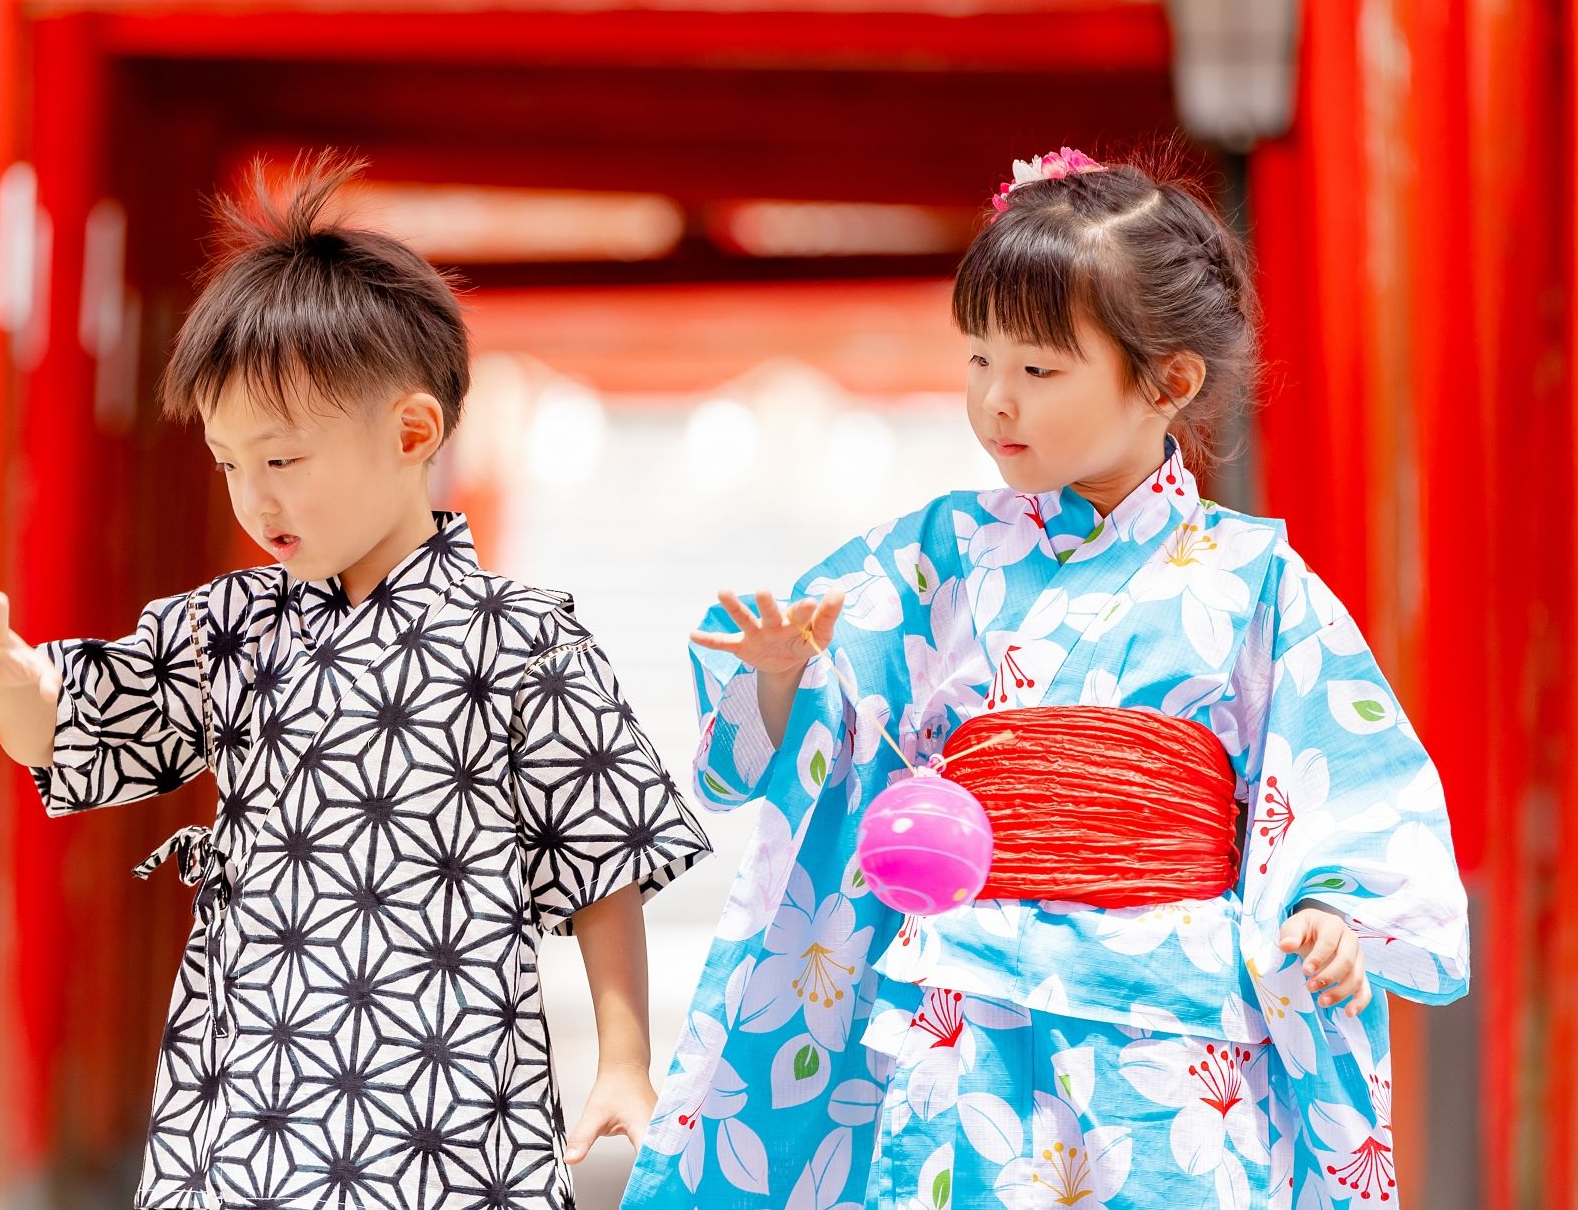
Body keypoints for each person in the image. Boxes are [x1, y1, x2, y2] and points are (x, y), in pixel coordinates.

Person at [622, 147, 1468, 1209]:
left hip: (1170, 1018)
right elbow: (809, 755)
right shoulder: (932, 554)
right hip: (965, 997)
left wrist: (1329, 910)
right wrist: (785, 681)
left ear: (1169, 381)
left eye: (1037, 369)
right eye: (979, 359)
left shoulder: (1254, 579)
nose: (994, 402)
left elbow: (1347, 774)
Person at [0, 155, 713, 1210]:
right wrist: (1, 673)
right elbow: (76, 724)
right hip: (243, 1115)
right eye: (229, 464)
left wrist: (624, 1058)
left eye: (283, 460)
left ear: (412, 434)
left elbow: (601, 860)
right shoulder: (226, 631)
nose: (253, 498)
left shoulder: (523, 641)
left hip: (449, 1117)